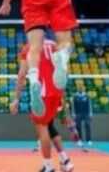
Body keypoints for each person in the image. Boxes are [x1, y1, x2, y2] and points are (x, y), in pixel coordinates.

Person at [12, 39, 74, 172]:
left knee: (42, 128)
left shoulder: (29, 47)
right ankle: (65, 161)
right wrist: (64, 104)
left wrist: (16, 99)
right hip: (57, 91)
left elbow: (22, 75)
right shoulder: (54, 45)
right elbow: (64, 71)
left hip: (42, 92)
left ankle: (48, 166)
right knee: (50, 126)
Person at [72, 83, 93, 149]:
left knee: (87, 125)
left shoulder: (87, 96)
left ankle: (88, 140)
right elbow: (73, 106)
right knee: (78, 127)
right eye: (79, 87)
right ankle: (80, 140)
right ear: (78, 88)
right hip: (78, 113)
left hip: (86, 113)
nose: (80, 88)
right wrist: (73, 114)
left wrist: (90, 113)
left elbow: (90, 105)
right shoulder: (75, 96)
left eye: (81, 87)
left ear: (83, 88)